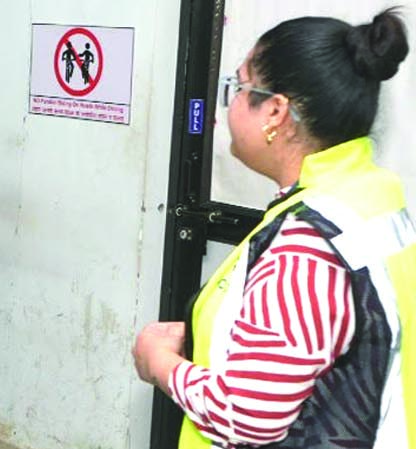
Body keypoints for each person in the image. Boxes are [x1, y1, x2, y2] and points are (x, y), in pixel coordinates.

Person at [133, 10, 415, 448]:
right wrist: (204, 336)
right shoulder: (369, 198)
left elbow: (245, 417)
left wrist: (159, 364)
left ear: (275, 112)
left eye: (240, 87)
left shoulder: (309, 244)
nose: (230, 102)